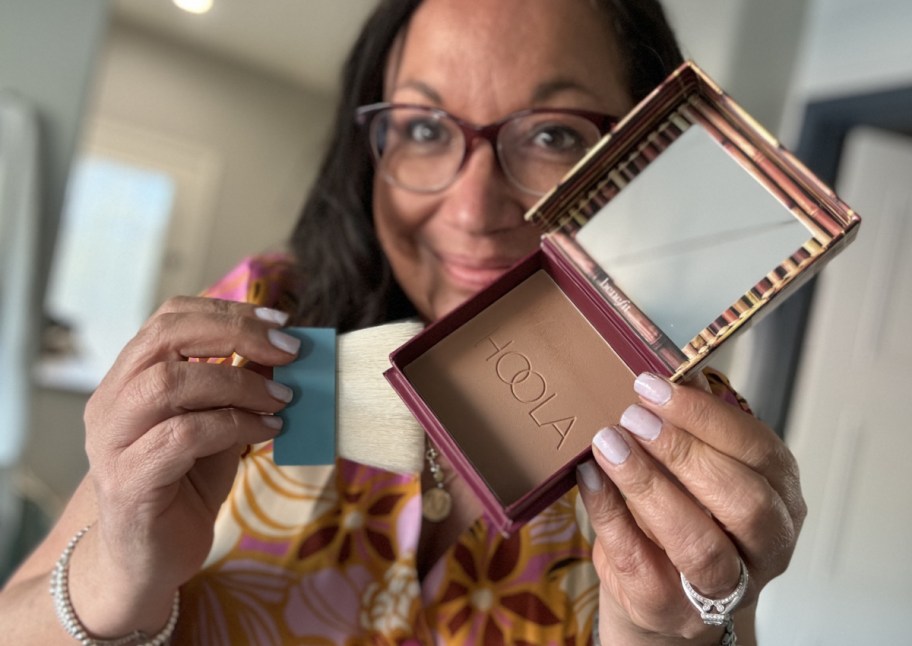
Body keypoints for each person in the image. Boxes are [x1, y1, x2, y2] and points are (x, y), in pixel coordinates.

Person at [0, 0, 806, 643]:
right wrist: (117, 571)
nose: (472, 211)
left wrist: (662, 638)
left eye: (554, 135)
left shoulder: (685, 451)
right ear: (372, 145)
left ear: (648, 159)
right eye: (424, 129)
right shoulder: (261, 320)